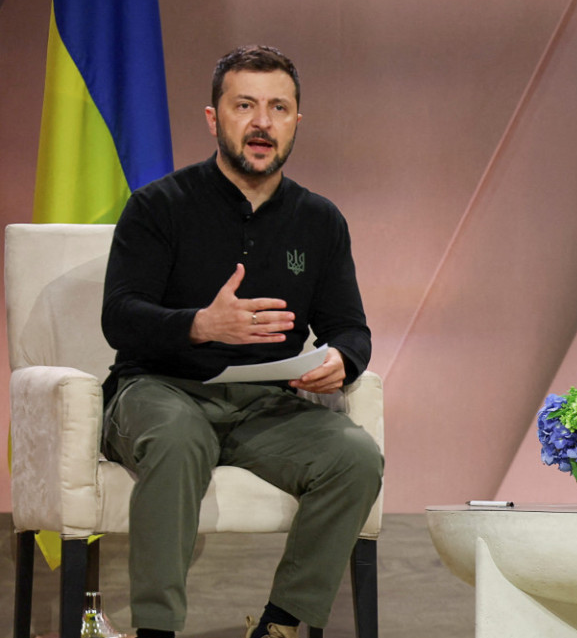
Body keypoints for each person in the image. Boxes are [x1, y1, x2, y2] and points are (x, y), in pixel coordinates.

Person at [100, 45, 383, 638]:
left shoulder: (320, 220)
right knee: (177, 440)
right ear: (214, 118)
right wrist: (200, 325)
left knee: (354, 458)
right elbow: (120, 318)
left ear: (296, 123)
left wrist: (340, 359)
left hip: (267, 404)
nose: (262, 122)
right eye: (245, 105)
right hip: (161, 390)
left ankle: (281, 625)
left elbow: (349, 326)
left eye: (279, 108)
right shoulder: (158, 206)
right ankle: (155, 629)